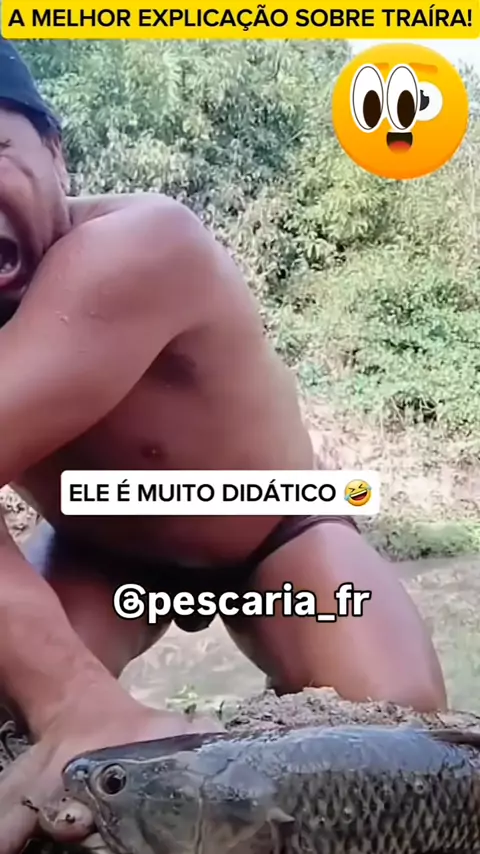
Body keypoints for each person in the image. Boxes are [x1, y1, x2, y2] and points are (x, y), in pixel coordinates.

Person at [0, 38, 445, 853]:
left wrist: (69, 696)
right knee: (11, 736)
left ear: (55, 151)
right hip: (97, 545)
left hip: (274, 529)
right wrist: (62, 693)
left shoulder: (143, 243)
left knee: (393, 738)